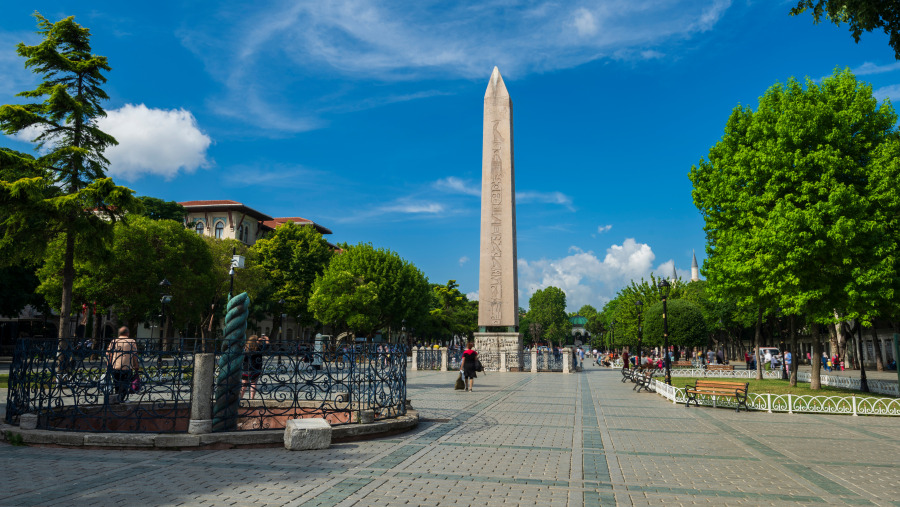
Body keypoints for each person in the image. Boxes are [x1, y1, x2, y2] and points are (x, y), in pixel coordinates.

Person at [106, 326, 140, 403]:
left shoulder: (114, 341)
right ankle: (121, 399)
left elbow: (109, 354)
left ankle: (117, 398)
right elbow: (135, 355)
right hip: (126, 366)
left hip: (115, 366)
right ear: (127, 333)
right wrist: (136, 365)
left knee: (116, 384)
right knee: (125, 384)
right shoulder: (131, 341)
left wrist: (108, 365)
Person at [241, 335, 264, 399]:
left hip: (246, 368)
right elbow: (267, 347)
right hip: (256, 368)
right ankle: (252, 398)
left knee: (244, 384)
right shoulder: (259, 347)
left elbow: (243, 358)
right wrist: (266, 340)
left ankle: (240, 397)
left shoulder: (246, 348)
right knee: (253, 383)